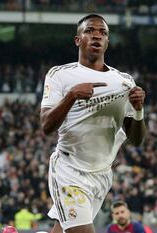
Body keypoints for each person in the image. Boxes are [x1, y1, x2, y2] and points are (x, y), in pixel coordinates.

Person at [40, 14, 146, 233]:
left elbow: (136, 140)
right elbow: (46, 126)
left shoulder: (124, 82)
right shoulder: (60, 75)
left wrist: (138, 110)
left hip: (102, 174)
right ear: (78, 39)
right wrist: (71, 96)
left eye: (103, 32)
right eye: (90, 31)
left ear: (107, 42)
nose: (97, 35)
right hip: (69, 170)